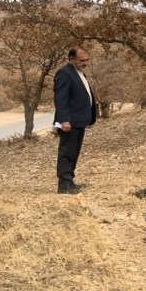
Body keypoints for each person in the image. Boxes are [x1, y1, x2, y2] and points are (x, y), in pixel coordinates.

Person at [53, 46, 97, 194]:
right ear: (71, 59)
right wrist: (64, 120)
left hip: (79, 121)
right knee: (67, 151)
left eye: (86, 60)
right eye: (82, 60)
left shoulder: (78, 73)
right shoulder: (64, 73)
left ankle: (69, 181)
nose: (85, 63)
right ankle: (64, 184)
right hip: (69, 122)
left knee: (74, 151)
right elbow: (61, 99)